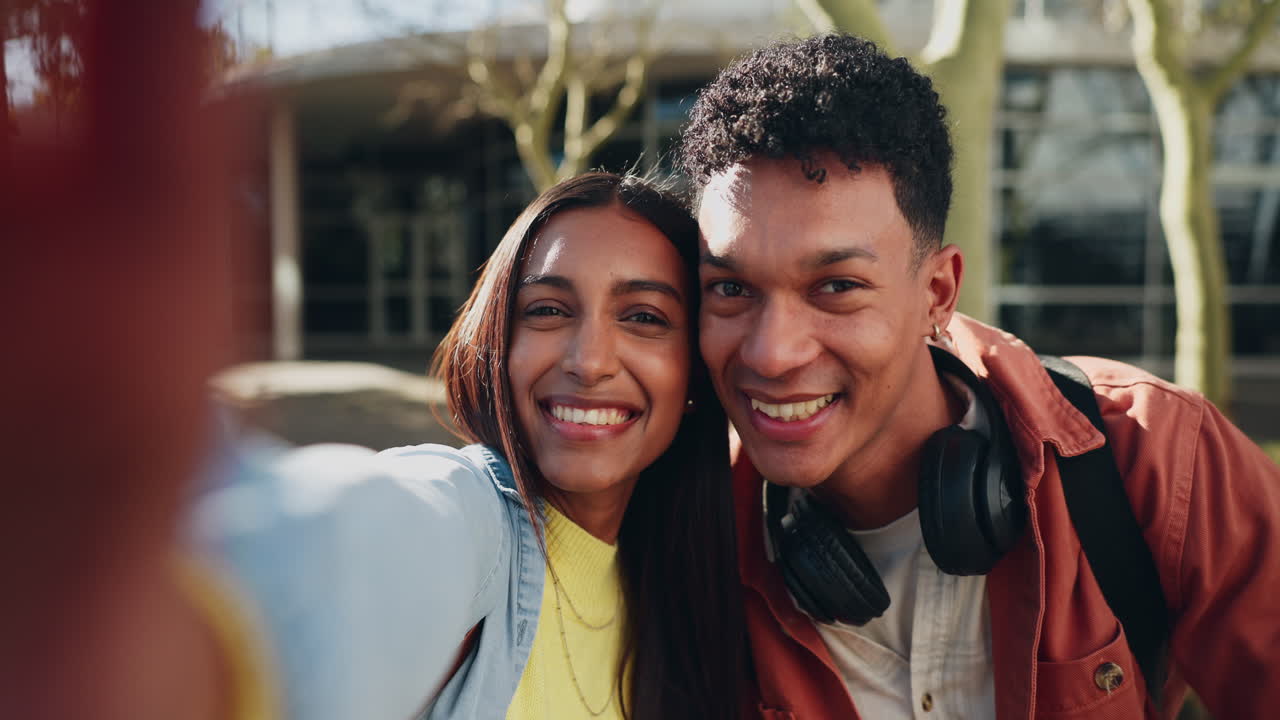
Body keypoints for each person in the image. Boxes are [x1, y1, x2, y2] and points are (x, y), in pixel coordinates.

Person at [677, 33, 1280, 719]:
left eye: (837, 286)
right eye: (730, 290)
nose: (770, 354)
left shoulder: (1157, 456)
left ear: (937, 292)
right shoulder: (683, 530)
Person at [192, 171, 747, 720]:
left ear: (695, 374)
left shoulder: (699, 588)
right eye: (548, 311)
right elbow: (346, 540)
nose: (590, 361)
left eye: (644, 317)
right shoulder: (469, 518)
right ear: (499, 341)